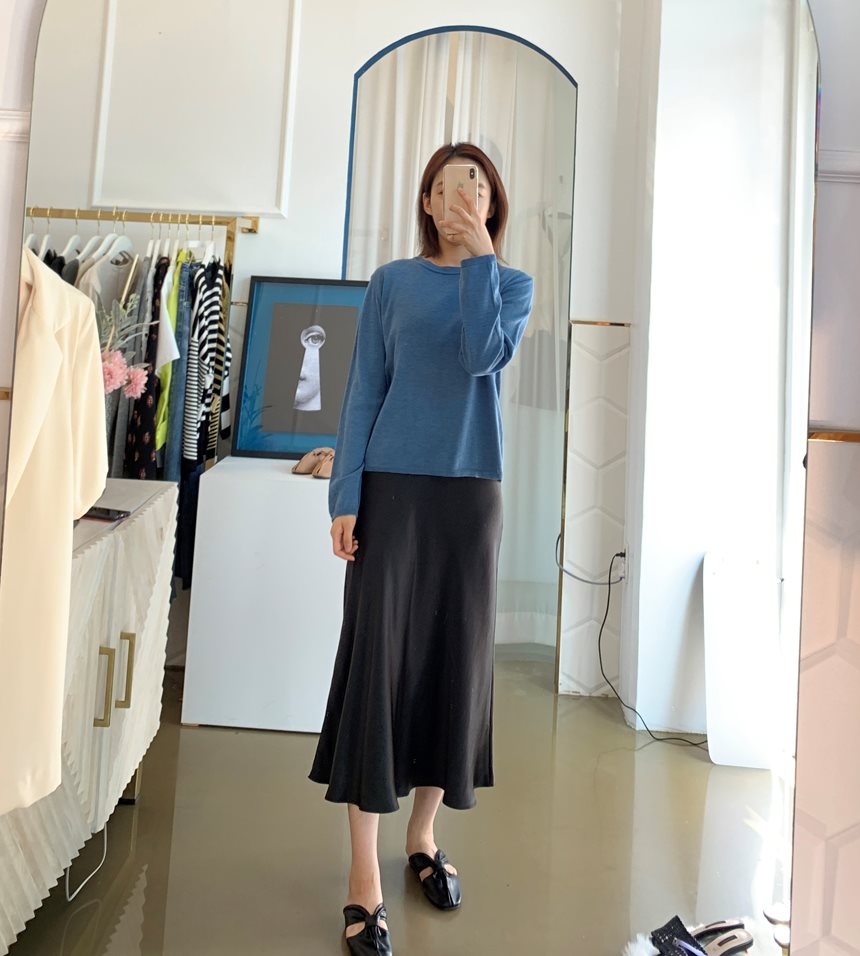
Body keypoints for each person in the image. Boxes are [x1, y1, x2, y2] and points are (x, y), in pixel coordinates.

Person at [308, 142, 534, 955]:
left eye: (474, 186)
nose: (460, 197)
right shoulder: (390, 283)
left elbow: (481, 356)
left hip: (470, 499)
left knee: (452, 666)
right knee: (378, 666)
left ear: (491, 203)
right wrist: (346, 494)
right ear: (427, 204)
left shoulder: (510, 285)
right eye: (444, 187)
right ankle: (363, 874)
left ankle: (424, 836)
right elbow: (363, 388)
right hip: (394, 494)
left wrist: (479, 261)